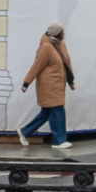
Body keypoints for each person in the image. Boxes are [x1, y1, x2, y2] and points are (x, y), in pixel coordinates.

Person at [19, 22, 75, 151]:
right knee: (57, 111)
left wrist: (71, 81)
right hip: (48, 86)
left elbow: (67, 64)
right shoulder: (45, 47)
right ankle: (59, 140)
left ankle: (25, 132)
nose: (64, 34)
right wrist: (26, 83)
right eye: (62, 32)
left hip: (58, 86)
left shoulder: (61, 45)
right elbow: (37, 66)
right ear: (57, 33)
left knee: (47, 113)